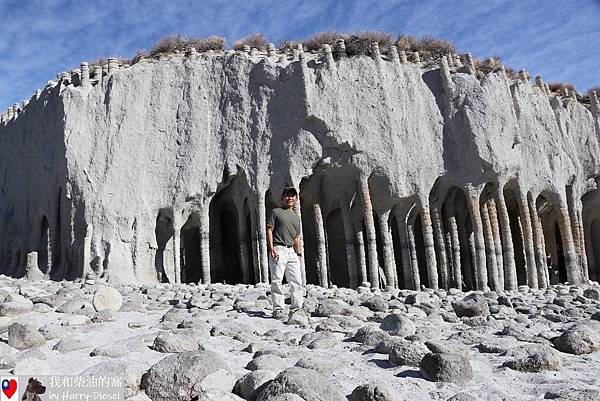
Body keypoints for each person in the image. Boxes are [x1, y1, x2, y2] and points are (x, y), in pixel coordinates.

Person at [266, 186, 304, 319]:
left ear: (296, 199)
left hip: (291, 251)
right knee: (277, 280)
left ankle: (296, 308)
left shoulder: (295, 217)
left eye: (293, 196)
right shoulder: (276, 212)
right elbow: (269, 229)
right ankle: (278, 309)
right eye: (287, 195)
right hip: (279, 249)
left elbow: (296, 237)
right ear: (282, 198)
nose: (290, 198)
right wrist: (271, 248)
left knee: (297, 281)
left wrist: (298, 253)